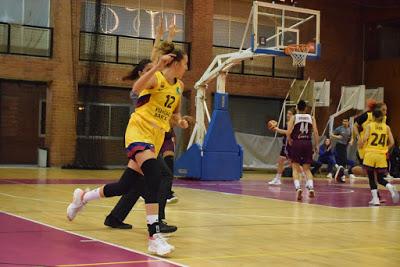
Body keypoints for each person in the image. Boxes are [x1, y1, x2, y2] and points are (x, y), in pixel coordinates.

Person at [67, 43, 189, 256]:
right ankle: (154, 236)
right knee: (155, 174)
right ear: (176, 62)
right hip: (139, 131)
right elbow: (135, 89)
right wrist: (157, 66)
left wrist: (179, 121)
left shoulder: (179, 86)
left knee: (125, 186)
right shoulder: (157, 77)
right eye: (185, 63)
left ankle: (82, 198)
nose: (187, 67)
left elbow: (173, 112)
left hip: (156, 137)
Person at [360, 108, 398, 205]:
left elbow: (364, 139)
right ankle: (390, 187)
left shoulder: (370, 126)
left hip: (370, 154)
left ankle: (376, 199)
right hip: (381, 155)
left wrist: (361, 142)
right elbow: (392, 142)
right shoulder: (387, 127)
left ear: (373, 117)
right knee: (380, 178)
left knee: (372, 178)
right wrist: (385, 148)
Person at [287, 100, 319, 200]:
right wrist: (317, 145)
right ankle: (311, 188)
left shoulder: (294, 117)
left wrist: (289, 140)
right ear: (306, 108)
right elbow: (316, 132)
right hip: (307, 143)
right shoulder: (311, 117)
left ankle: (298, 188)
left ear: (297, 108)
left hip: (297, 142)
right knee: (306, 169)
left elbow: (288, 132)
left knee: (295, 168)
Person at [268, 108, 296, 185]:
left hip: (290, 145)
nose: (288, 115)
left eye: (290, 114)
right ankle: (277, 179)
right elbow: (285, 133)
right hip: (286, 145)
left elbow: (288, 133)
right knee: (281, 161)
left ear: (294, 115)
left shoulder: (293, 123)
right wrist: (275, 128)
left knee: (293, 163)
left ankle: (306, 177)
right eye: (287, 113)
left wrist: (277, 129)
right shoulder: (288, 123)